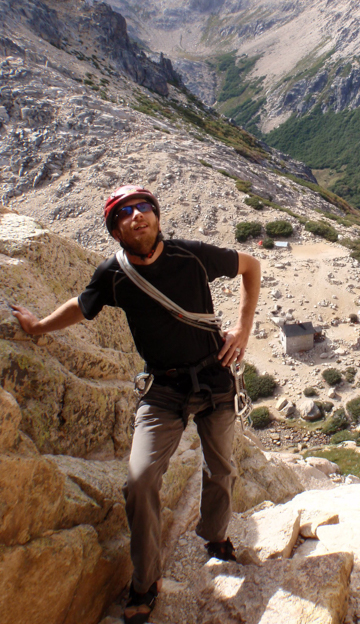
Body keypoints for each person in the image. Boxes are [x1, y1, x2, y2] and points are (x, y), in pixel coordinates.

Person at [11, 185, 261, 624]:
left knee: (222, 469)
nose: (136, 216)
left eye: (143, 207)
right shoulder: (114, 274)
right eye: (123, 214)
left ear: (156, 216)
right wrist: (39, 327)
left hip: (214, 377)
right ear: (115, 231)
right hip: (163, 389)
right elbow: (82, 306)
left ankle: (215, 536)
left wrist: (243, 328)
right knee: (140, 482)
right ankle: (146, 581)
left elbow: (251, 265)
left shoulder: (191, 255)